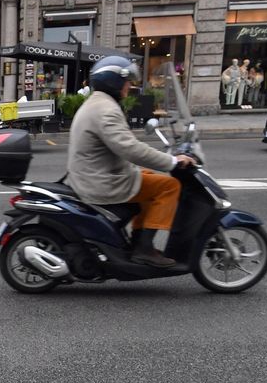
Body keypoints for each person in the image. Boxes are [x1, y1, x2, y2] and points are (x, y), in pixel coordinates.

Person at [67, 55, 196, 268]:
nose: (129, 85)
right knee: (170, 186)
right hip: (100, 182)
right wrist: (172, 162)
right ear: (113, 81)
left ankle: (139, 242)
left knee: (149, 177)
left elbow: (124, 147)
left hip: (96, 174)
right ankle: (144, 248)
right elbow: (130, 149)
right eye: (127, 81)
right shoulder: (106, 110)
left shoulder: (98, 103)